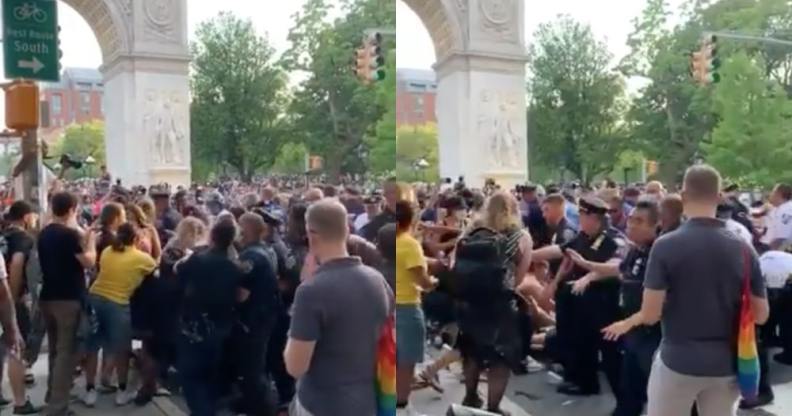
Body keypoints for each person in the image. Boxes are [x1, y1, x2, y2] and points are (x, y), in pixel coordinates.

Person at [603, 165, 769, 416]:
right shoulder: (744, 249)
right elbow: (761, 315)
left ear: (683, 196)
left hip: (677, 360)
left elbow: (650, 314)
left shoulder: (666, 246)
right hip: (726, 363)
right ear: (720, 196)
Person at [285, 199, 392, 416]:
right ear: (346, 230)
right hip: (366, 402)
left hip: (322, 404)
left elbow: (295, 366)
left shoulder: (311, 291)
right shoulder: (377, 280)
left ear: (311, 235)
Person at [568, 200, 660, 416]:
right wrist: (588, 266)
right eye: (631, 219)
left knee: (660, 396)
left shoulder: (660, 252)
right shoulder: (636, 250)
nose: (632, 225)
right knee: (627, 393)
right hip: (632, 333)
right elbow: (618, 269)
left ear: (656, 225)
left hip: (652, 335)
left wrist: (627, 323)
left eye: (639, 221)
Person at [533, 196, 626, 398]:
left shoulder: (612, 238)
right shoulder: (583, 236)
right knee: (581, 343)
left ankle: (627, 399)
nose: (579, 219)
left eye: (582, 215)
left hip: (603, 303)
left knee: (609, 352)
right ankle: (585, 383)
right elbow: (562, 252)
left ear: (594, 217)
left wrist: (590, 276)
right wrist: (529, 255)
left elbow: (615, 264)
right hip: (579, 302)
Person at [455, 191, 533, 415]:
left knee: (471, 351)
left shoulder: (471, 231)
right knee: (500, 357)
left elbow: (455, 263)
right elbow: (518, 278)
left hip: (469, 303)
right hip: (500, 306)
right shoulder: (520, 236)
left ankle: (470, 396)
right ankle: (494, 407)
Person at [176, 219, 246, 415]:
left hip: (194, 327)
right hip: (220, 327)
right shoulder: (235, 267)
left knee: (191, 377)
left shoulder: (198, 259)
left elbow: (179, 277)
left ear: (212, 237)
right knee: (209, 376)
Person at [136, 217, 207, 405]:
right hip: (173, 302)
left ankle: (148, 384)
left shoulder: (170, 247)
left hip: (158, 297)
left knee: (152, 345)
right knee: (162, 345)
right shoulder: (187, 253)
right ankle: (152, 384)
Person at [85, 223, 157, 406]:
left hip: (95, 297)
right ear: (136, 239)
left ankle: (90, 390)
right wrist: (153, 238)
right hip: (118, 303)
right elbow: (157, 264)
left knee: (93, 346)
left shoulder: (108, 251)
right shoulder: (142, 258)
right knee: (121, 349)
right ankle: (122, 391)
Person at [38, 191, 97, 416]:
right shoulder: (69, 235)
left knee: (55, 351)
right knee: (66, 354)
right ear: (72, 209)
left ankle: (53, 395)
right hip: (68, 299)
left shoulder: (45, 233)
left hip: (48, 297)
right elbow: (88, 262)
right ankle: (57, 407)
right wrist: (91, 242)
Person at [231, 213, 280, 416]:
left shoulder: (250, 257)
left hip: (254, 318)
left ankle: (260, 409)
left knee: (253, 368)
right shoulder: (268, 250)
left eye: (241, 228)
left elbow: (241, 295)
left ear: (247, 229)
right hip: (266, 315)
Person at [395, 200, 436, 416]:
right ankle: (402, 406)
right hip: (407, 306)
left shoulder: (385, 240)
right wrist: (434, 282)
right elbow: (422, 280)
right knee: (405, 360)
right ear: (411, 219)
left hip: (386, 305)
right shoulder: (409, 244)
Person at [2, 201, 39, 414]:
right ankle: (20, 402)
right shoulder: (23, 239)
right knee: (15, 346)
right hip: (7, 296)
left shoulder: (3, 235)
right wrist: (13, 298)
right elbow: (16, 263)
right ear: (26, 217)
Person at [765, 183, 792, 250]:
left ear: (778, 194)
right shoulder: (779, 208)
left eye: (772, 192)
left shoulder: (786, 211)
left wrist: (772, 253)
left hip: (782, 250)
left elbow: (781, 238)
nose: (770, 195)